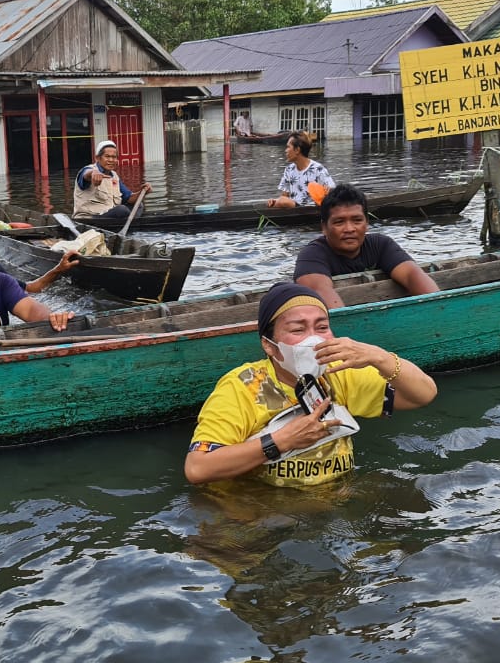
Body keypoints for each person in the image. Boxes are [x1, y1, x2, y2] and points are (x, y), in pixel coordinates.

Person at [185, 282, 436, 487]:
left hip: (337, 496)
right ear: (269, 346)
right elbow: (198, 468)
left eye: (322, 327)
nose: (314, 339)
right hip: (263, 507)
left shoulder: (339, 371)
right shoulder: (243, 387)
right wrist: (282, 440)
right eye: (298, 329)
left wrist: (380, 357)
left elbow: (423, 395)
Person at [293, 183, 441, 307]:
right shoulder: (312, 255)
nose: (350, 229)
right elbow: (319, 291)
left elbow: (411, 275)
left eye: (357, 220)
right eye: (339, 222)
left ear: (367, 223)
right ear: (324, 227)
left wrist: (441, 308)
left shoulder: (380, 245)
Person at [73, 140, 150, 218]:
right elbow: (86, 175)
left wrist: (143, 191)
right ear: (98, 158)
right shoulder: (87, 170)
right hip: (89, 218)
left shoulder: (114, 176)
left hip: (109, 216)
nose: (111, 160)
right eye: (107, 156)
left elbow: (129, 198)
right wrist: (93, 173)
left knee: (138, 205)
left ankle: (131, 224)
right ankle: (129, 223)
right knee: (122, 210)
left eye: (114, 157)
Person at [265, 131, 335, 208]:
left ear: (297, 150)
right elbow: (284, 196)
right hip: (294, 209)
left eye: (288, 147)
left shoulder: (318, 169)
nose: (285, 150)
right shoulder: (289, 170)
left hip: (312, 210)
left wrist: (327, 192)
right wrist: (275, 201)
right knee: (280, 201)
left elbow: (332, 193)